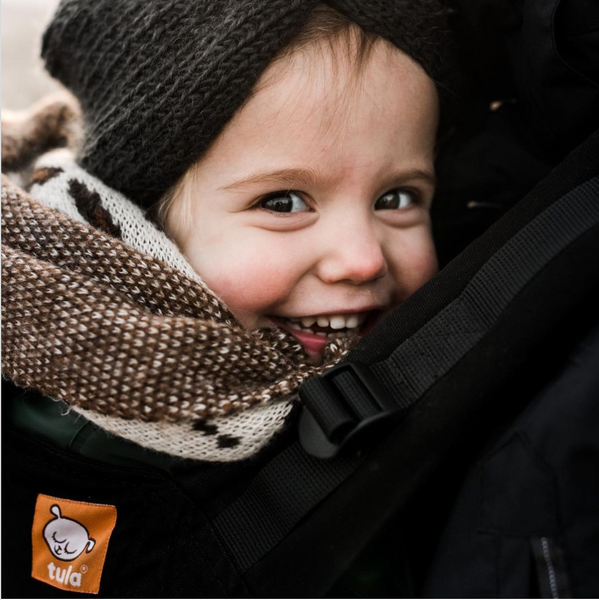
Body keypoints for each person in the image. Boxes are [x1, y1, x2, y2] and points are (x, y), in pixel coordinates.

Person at [2, 1, 456, 596]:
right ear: (145, 225)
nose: (363, 259)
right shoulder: (95, 452)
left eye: (396, 197)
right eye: (284, 202)